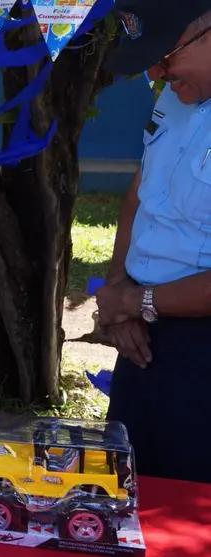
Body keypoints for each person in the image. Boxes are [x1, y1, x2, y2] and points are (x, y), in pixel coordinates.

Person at [96, 0, 211, 483]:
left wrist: (134, 300)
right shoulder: (174, 96)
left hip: (201, 348)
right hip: (141, 335)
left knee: (192, 506)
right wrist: (121, 290)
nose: (157, 71)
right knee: (123, 489)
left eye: (167, 54)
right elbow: (139, 195)